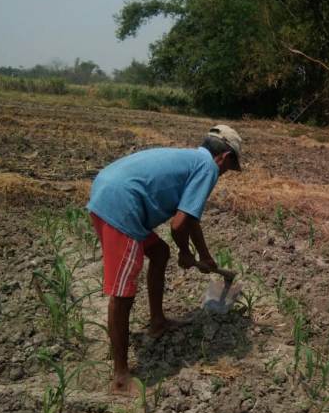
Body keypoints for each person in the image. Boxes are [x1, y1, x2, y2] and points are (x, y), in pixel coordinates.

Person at [87, 125, 243, 395]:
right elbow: (178, 225)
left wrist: (203, 255)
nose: (225, 174)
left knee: (160, 253)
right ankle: (121, 378)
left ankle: (158, 321)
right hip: (121, 204)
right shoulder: (208, 169)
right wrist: (185, 251)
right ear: (225, 157)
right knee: (122, 293)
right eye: (229, 168)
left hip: (110, 189)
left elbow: (190, 217)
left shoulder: (193, 160)